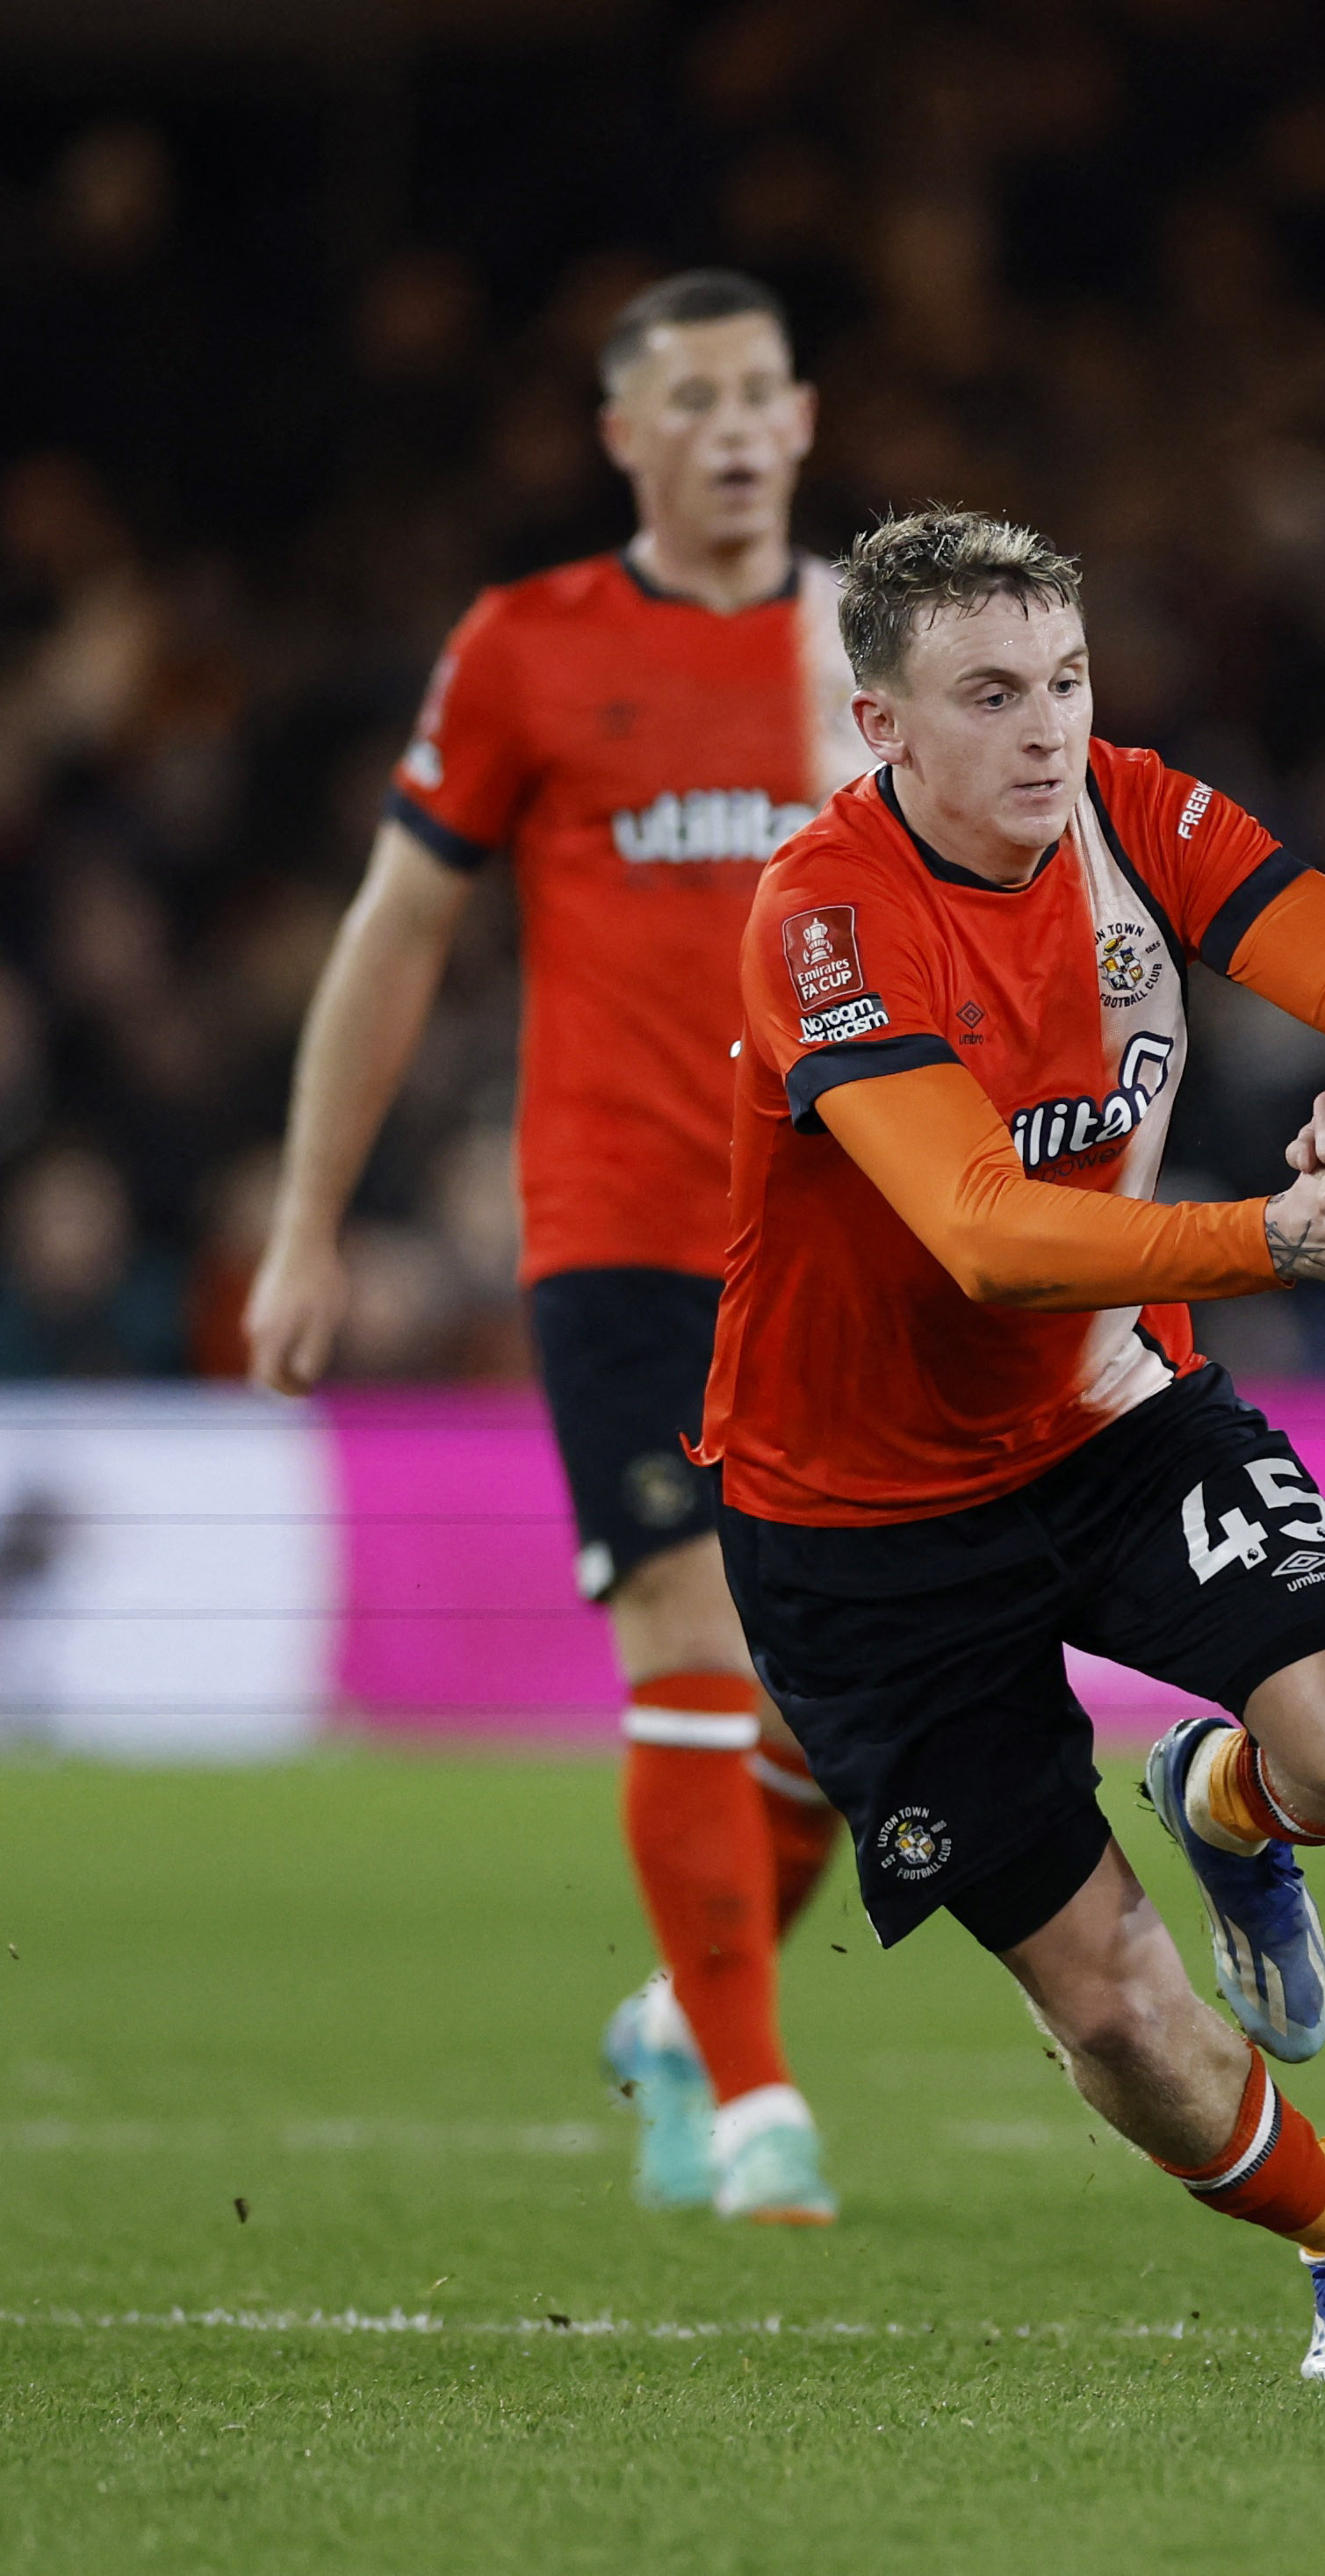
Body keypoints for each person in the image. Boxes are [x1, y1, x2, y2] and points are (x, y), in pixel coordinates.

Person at [702, 504, 1325, 2377]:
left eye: (1063, 680)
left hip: (1114, 1422)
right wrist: (1269, 1239)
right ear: (881, 725)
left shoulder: (1136, 811)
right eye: (989, 695)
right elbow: (980, 1232)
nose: (1046, 729)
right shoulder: (820, 920)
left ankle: (1227, 1802)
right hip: (861, 1525)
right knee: (1120, 2019)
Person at [244, 271, 873, 2223]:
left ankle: (687, 2017)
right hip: (623, 1228)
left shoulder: (878, 644)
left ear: (806, 416)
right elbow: (396, 934)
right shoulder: (527, 647)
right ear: (624, 437)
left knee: (854, 1702)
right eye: (690, 399)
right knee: (685, 1631)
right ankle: (758, 2101)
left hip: (856, 1230)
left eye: (761, 391)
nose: (734, 428)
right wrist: (304, 1227)